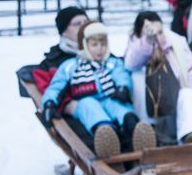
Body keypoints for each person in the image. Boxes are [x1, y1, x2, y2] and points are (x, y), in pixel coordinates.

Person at [41, 21, 156, 160]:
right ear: (85, 45)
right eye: (94, 45)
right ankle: (105, 135)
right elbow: (56, 86)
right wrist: (49, 102)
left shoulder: (112, 63)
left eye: (103, 44)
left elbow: (121, 75)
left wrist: (123, 88)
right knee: (89, 106)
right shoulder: (71, 66)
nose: (99, 49)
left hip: (110, 98)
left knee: (120, 107)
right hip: (86, 101)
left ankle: (136, 130)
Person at [124, 11, 192, 145]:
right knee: (137, 78)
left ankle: (191, 135)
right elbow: (131, 64)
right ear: (140, 34)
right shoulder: (136, 48)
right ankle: (147, 134)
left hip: (173, 105)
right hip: (148, 112)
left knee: (188, 94)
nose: (158, 37)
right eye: (151, 32)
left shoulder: (175, 43)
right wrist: (147, 42)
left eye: (160, 32)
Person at [38, 6, 89, 71]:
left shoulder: (101, 54)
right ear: (63, 31)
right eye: (77, 24)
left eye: (86, 22)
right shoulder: (51, 64)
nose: (84, 27)